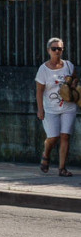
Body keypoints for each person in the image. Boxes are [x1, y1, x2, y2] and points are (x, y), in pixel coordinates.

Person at [35, 37, 76, 177]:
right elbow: (39, 91)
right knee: (53, 137)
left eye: (59, 48)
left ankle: (62, 168)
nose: (57, 51)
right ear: (48, 50)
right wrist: (40, 109)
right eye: (54, 49)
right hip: (50, 109)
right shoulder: (43, 69)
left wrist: (73, 82)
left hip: (68, 106)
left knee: (65, 136)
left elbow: (75, 80)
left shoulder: (69, 65)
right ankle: (46, 153)